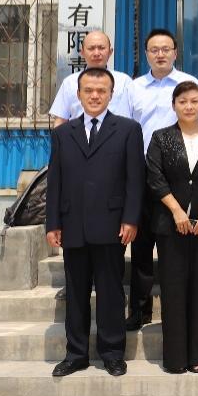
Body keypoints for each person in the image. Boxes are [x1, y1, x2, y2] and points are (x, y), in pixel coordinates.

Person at [45, 68, 144, 378]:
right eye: (88, 90)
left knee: (111, 292)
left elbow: (135, 180)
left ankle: (112, 353)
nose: (95, 96)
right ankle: (75, 354)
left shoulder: (128, 129)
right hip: (73, 224)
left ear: (111, 94)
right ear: (78, 95)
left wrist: (131, 218)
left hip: (112, 225)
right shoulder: (63, 134)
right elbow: (55, 181)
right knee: (76, 294)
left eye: (101, 91)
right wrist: (52, 223)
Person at [125, 28, 198, 331]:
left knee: (181, 247)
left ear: (175, 52)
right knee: (142, 247)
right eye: (154, 50)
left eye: (166, 49)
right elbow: (126, 129)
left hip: (182, 177)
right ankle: (140, 309)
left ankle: (184, 309)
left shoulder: (189, 84)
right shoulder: (133, 88)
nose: (160, 54)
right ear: (146, 54)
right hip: (143, 175)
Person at [145, 80, 198, 373]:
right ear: (174, 105)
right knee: (174, 291)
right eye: (182, 102)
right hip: (170, 226)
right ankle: (176, 359)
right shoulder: (161, 137)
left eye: (194, 101)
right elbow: (154, 177)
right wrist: (176, 210)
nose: (189, 106)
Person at [48, 30, 134, 124]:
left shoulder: (124, 82)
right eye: (91, 48)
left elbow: (135, 117)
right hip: (79, 133)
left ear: (110, 52)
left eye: (101, 48)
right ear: (82, 52)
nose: (96, 53)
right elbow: (60, 120)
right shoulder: (70, 82)